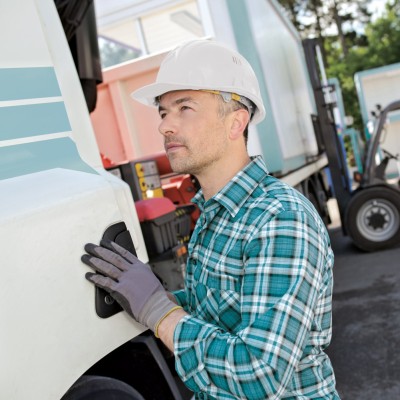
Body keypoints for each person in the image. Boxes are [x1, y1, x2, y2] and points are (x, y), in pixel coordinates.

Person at [82, 39, 340, 399]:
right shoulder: (213, 214)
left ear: (236, 122)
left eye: (184, 108)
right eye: (163, 112)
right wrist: (157, 296)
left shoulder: (281, 219)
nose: (165, 127)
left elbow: (259, 374)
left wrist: (159, 312)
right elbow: (219, 308)